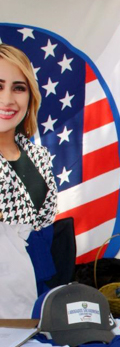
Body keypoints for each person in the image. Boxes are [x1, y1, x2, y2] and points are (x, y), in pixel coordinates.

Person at [0, 44, 57, 230]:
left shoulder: (40, 157)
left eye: (18, 88)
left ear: (30, 95)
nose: (7, 100)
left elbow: (46, 230)